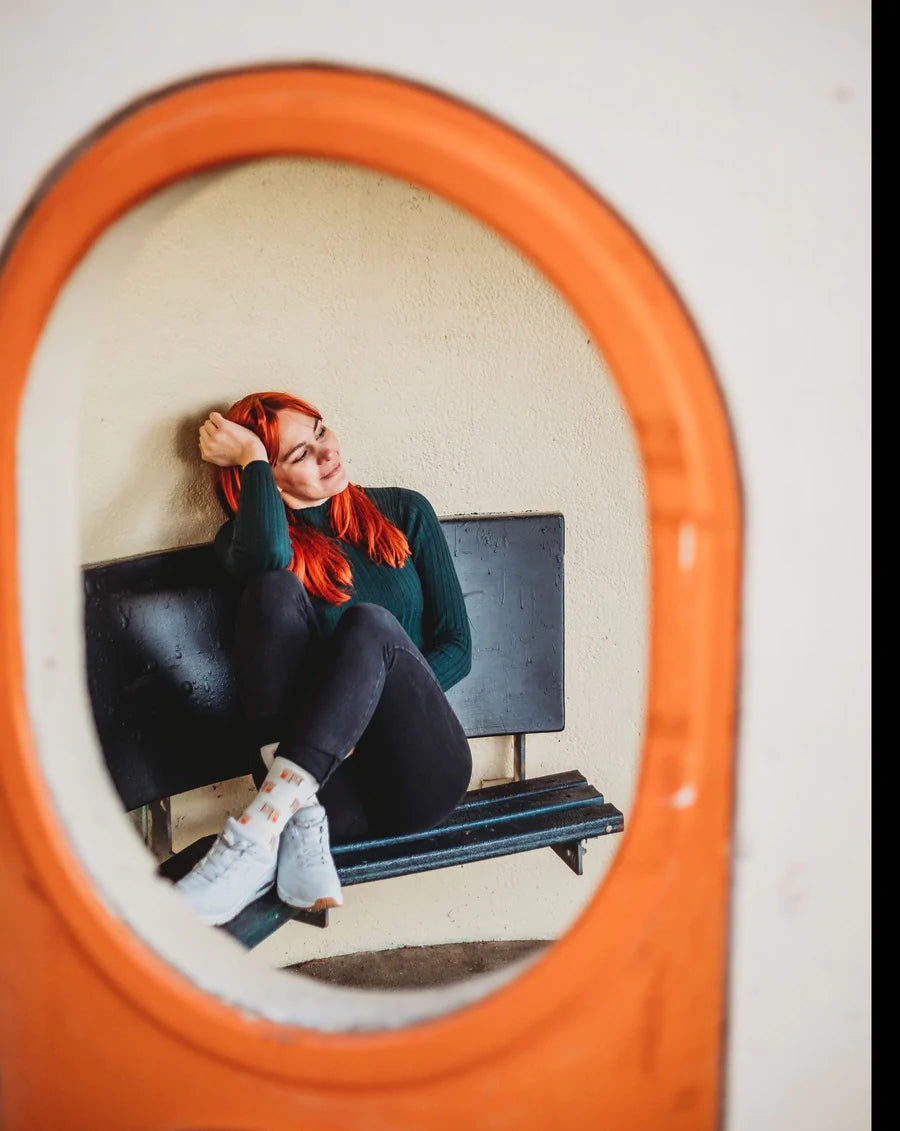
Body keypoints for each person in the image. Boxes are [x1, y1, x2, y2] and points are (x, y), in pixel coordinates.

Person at [174, 391, 473, 926]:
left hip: (420, 776)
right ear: (267, 478)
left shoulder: (404, 511)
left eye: (320, 431)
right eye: (298, 455)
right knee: (269, 591)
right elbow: (268, 559)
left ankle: (253, 839)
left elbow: (457, 647)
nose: (326, 452)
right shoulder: (242, 542)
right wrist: (253, 459)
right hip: (330, 800)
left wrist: (362, 710)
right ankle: (294, 830)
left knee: (370, 624)